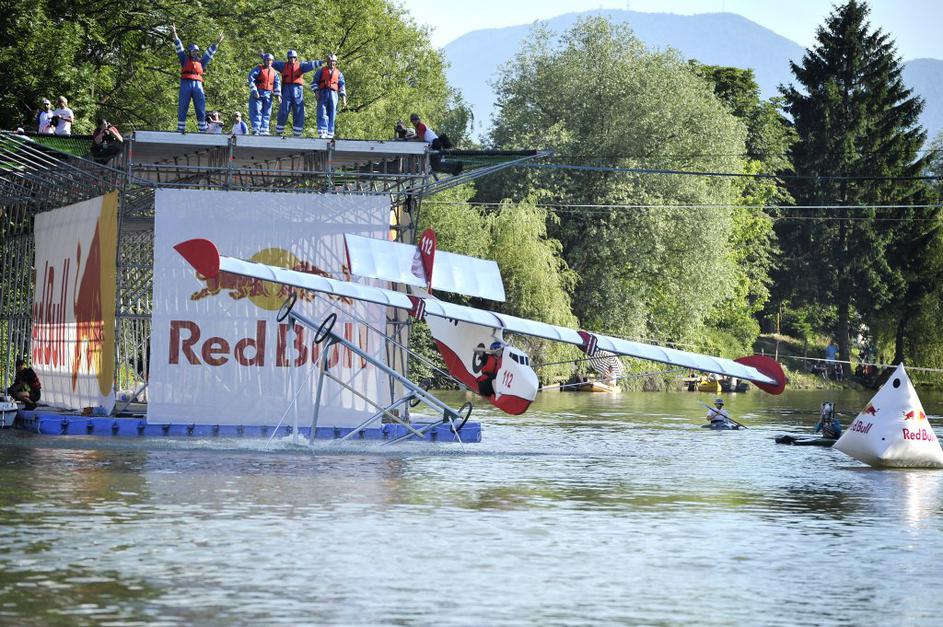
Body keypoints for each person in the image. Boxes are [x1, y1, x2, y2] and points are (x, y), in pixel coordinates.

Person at [171, 23, 223, 133]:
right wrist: (174, 33)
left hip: (197, 84)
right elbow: (179, 47)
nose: (195, 52)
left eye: (196, 51)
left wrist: (217, 42)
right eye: (193, 51)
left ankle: (202, 128)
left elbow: (209, 53)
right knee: (183, 106)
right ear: (189, 52)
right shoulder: (184, 59)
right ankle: (181, 128)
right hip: (186, 83)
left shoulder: (201, 62)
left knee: (200, 107)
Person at [272, 50, 322, 136]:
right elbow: (270, 62)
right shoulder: (283, 66)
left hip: (298, 90)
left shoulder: (301, 66)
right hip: (286, 89)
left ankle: (297, 133)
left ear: (296, 58)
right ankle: (279, 131)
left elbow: (310, 64)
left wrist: (323, 61)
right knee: (283, 110)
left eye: (294, 57)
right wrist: (262, 55)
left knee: (299, 110)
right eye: (290, 57)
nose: (292, 59)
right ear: (288, 58)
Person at [312, 53, 346, 138]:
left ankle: (330, 133)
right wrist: (316, 92)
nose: (332, 63)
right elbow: (314, 82)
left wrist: (344, 99)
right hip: (323, 93)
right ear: (327, 62)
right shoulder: (321, 71)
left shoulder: (339, 73)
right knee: (322, 111)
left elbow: (342, 86)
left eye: (334, 61)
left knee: (332, 112)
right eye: (330, 61)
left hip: (333, 94)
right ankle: (322, 131)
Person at [248, 53, 281, 135]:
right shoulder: (258, 68)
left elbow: (277, 83)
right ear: (264, 61)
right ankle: (256, 128)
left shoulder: (274, 72)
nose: (269, 62)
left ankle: (265, 129)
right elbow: (251, 78)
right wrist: (254, 90)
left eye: (270, 60)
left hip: (268, 94)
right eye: (267, 60)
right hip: (258, 92)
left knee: (267, 112)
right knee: (256, 110)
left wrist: (278, 95)